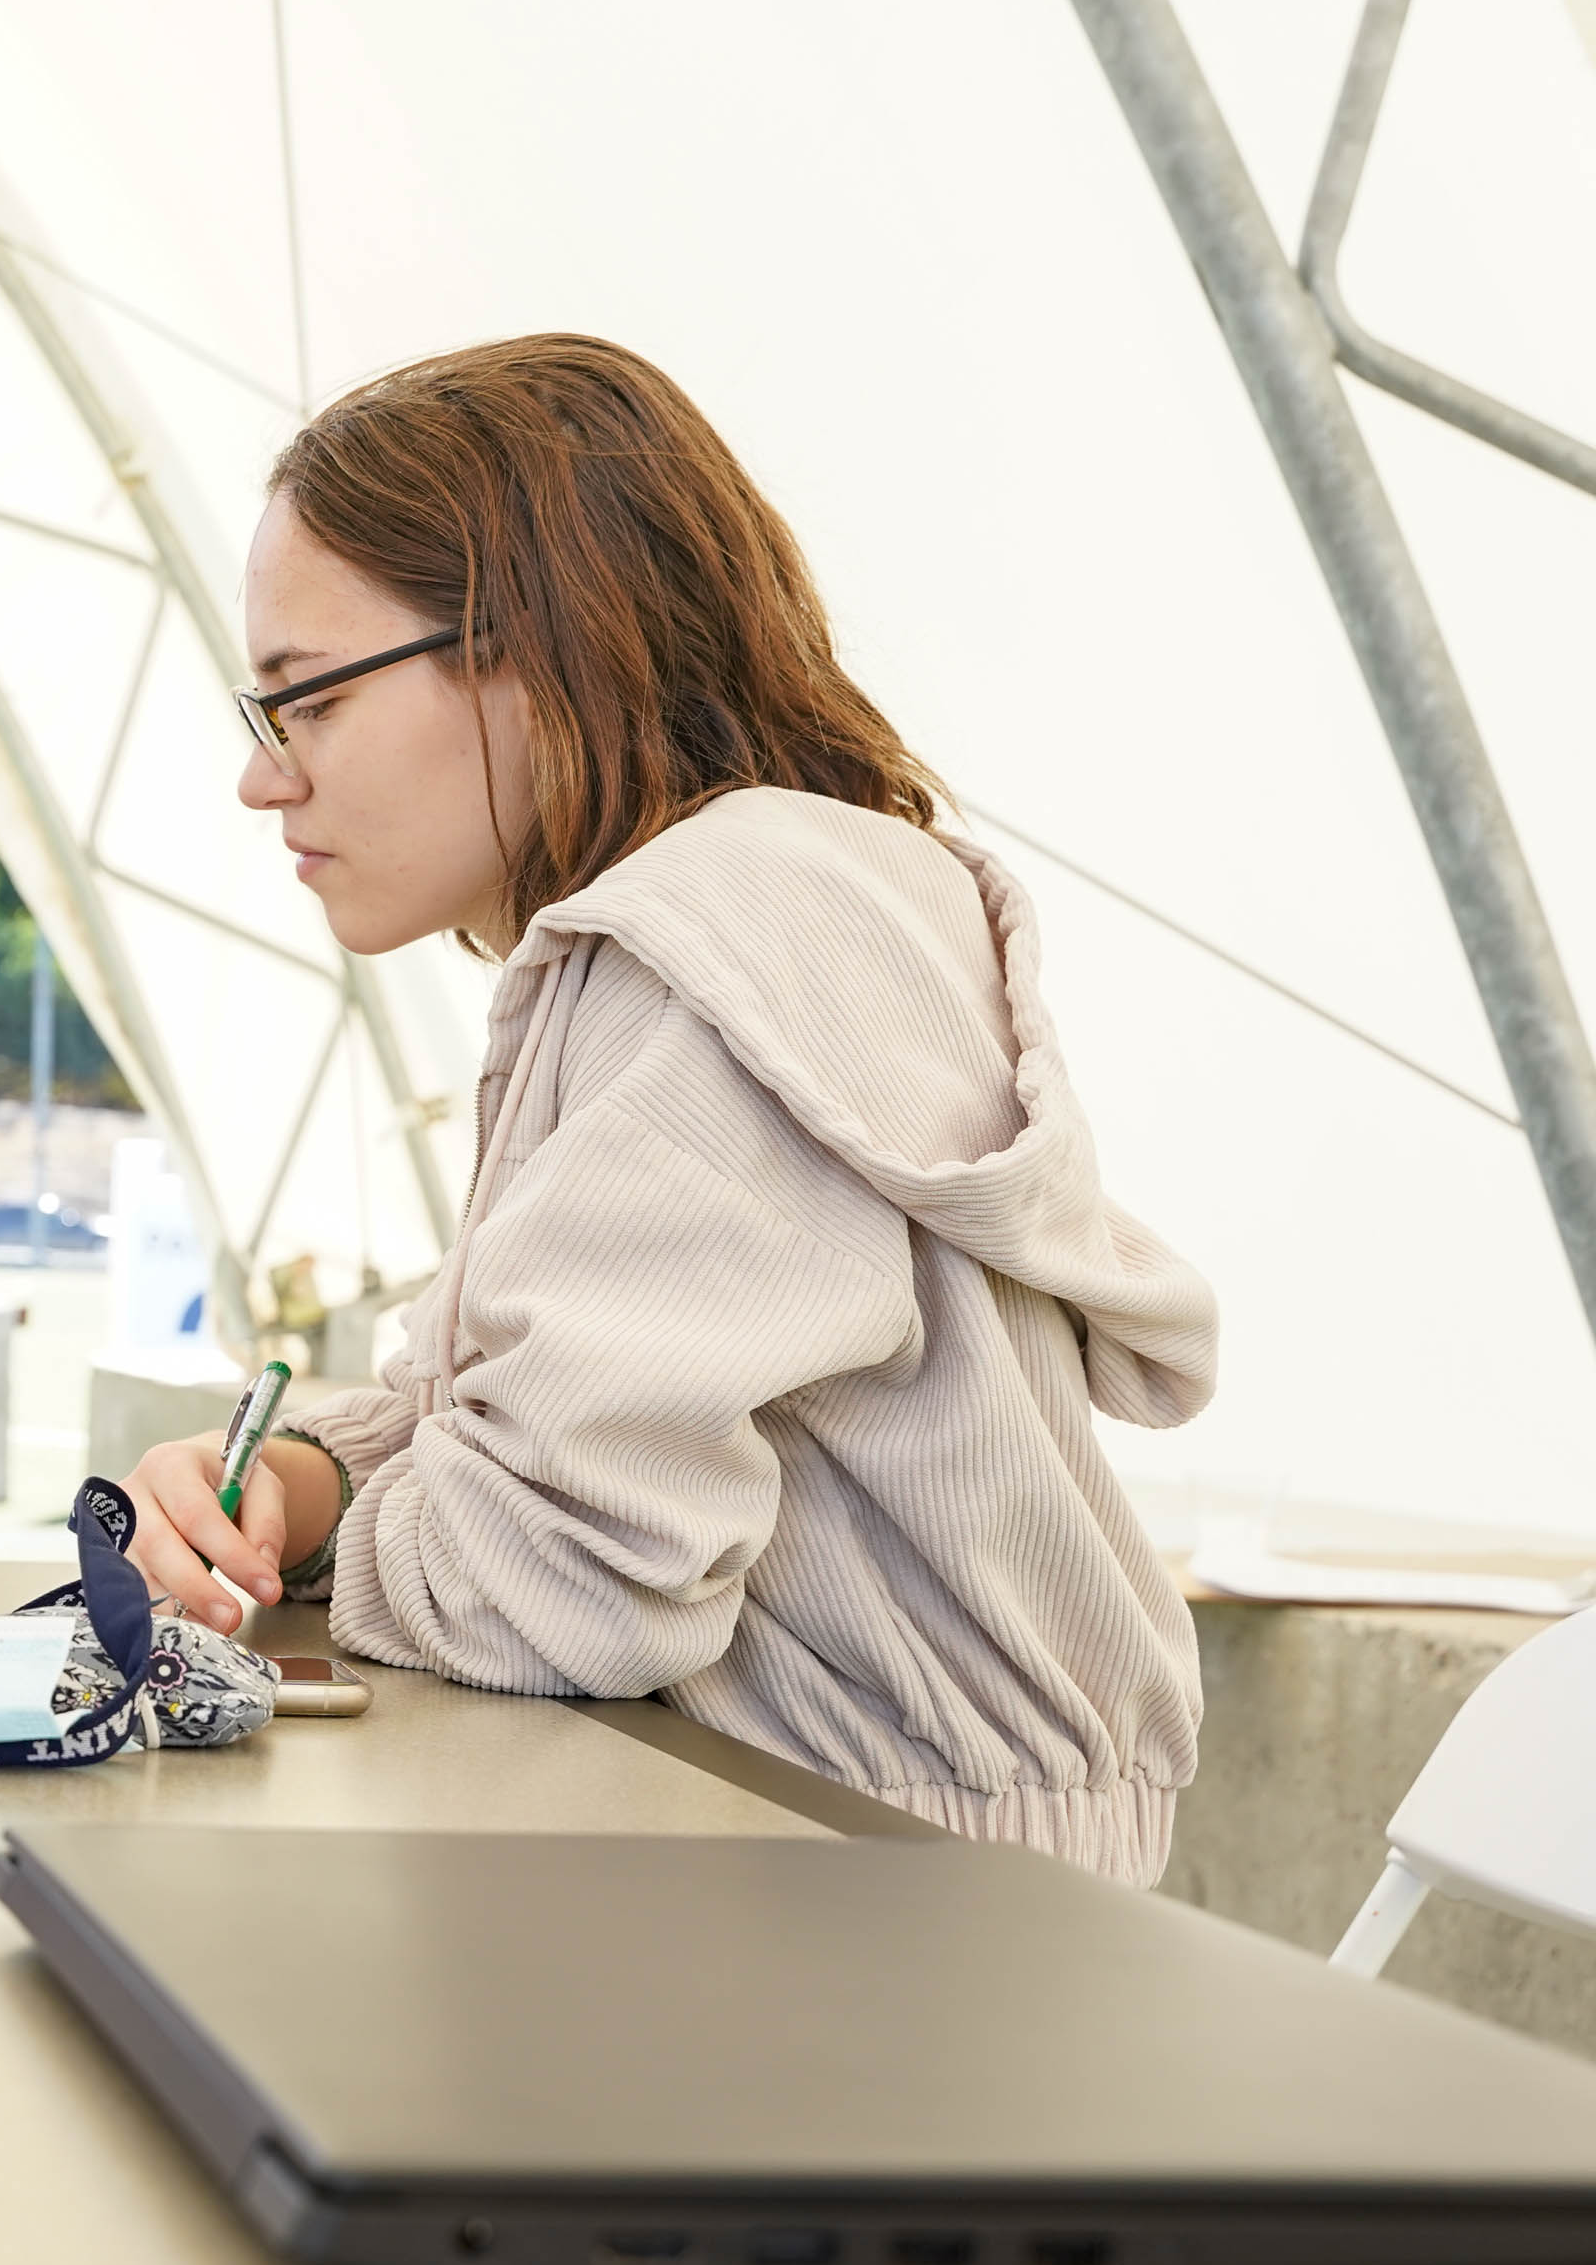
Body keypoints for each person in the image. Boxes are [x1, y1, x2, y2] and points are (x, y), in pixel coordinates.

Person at [124, 336, 1213, 1889]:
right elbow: (515, 1425)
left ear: (535, 647)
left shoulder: (718, 946)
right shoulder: (741, 914)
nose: (262, 777)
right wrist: (299, 1488)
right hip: (813, 1853)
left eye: (306, 702)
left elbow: (559, 1576)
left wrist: (337, 1539)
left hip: (883, 1917)